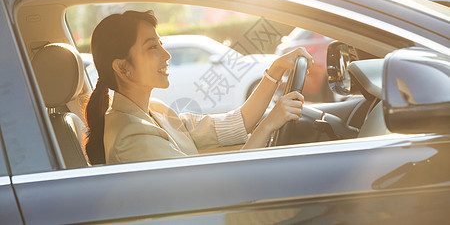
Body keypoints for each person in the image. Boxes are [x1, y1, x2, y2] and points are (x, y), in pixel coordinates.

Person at [84, 10, 312, 165]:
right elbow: (214, 193)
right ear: (123, 67)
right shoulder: (131, 136)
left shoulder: (155, 110)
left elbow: (236, 123)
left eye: (161, 44)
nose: (166, 54)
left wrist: (276, 70)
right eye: (152, 47)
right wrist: (269, 125)